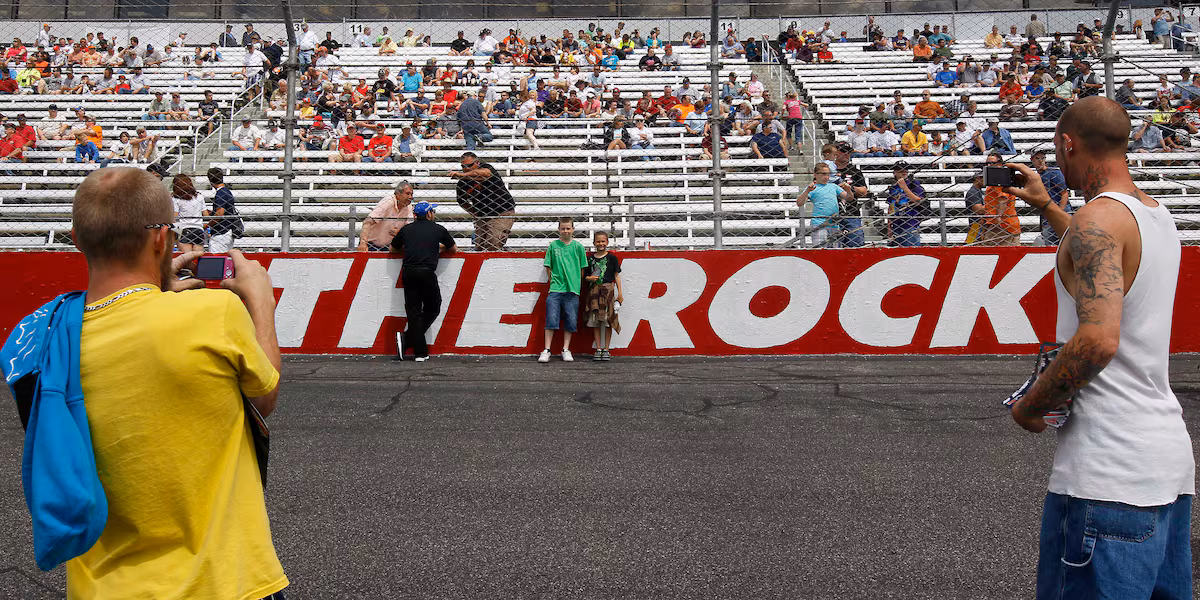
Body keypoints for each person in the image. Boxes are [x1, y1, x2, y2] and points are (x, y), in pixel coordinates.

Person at [13, 167, 286, 598]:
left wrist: (155, 288)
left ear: (76, 238)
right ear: (162, 238)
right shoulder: (212, 313)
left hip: (102, 588)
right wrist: (262, 303)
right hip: (221, 581)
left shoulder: (45, 337)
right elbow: (263, 397)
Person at [1001, 95, 1195, 600]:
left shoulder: (1096, 223)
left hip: (1106, 477)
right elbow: (1102, 259)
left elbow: (1098, 339)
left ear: (1067, 144)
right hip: (1165, 466)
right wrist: (1046, 205)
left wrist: (1032, 404)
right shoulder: (1154, 216)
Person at [389, 200, 456, 362]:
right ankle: (408, 340)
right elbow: (453, 249)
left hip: (409, 271)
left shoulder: (406, 229)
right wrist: (435, 247)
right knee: (433, 307)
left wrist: (411, 247)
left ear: (414, 215)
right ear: (429, 214)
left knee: (414, 312)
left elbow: (392, 248)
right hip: (426, 271)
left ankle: (418, 350)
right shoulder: (438, 229)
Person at [539, 217, 589, 363]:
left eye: (568, 228)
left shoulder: (578, 247)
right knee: (551, 319)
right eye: (563, 228)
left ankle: (565, 349)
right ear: (559, 230)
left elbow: (582, 269)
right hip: (555, 289)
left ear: (573, 229)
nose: (566, 231)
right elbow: (548, 266)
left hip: (572, 290)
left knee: (570, 320)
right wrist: (553, 281)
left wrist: (576, 284)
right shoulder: (553, 246)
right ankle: (547, 349)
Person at [451, 152, 516, 251]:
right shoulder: (462, 184)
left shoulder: (486, 168)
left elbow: (486, 173)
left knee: (493, 242)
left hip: (502, 211)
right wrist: (475, 212)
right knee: (479, 246)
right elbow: (461, 201)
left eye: (469, 165)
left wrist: (461, 175)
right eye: (463, 166)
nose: (466, 168)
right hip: (483, 214)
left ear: (477, 163)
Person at [584, 231, 623, 361]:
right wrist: (589, 279)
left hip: (608, 291)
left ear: (607, 242)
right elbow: (585, 276)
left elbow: (616, 276)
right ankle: (598, 349)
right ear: (594, 243)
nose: (601, 244)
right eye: (598, 241)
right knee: (595, 320)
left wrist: (620, 294)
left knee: (607, 321)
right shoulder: (590, 258)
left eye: (603, 241)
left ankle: (606, 349)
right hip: (594, 291)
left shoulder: (612, 258)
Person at [359, 181, 415, 252]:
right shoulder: (387, 202)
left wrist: (399, 233)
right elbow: (368, 222)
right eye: (407, 194)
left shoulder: (409, 207)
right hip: (370, 244)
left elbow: (409, 231)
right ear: (398, 194)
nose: (411, 197)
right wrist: (363, 243)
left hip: (390, 247)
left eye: (411, 194)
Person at [980, 152, 1022, 246]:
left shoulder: (999, 177)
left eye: (992, 163)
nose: (989, 165)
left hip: (1002, 224)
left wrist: (998, 218)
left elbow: (1003, 198)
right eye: (987, 163)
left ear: (1000, 164)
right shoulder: (995, 178)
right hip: (1007, 224)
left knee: (988, 252)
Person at [1030, 149, 1070, 246]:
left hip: (1061, 212)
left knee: (1065, 244)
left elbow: (1064, 194)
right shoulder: (1035, 177)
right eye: (1037, 158)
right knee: (1050, 245)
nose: (1040, 161)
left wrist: (1059, 212)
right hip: (1048, 216)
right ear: (1032, 160)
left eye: (1043, 158)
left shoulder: (1053, 173)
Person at [801, 162, 846, 247]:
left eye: (828, 174)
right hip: (818, 222)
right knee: (820, 249)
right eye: (823, 174)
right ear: (815, 175)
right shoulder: (812, 187)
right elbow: (800, 202)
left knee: (836, 249)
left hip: (834, 223)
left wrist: (849, 189)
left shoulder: (833, 186)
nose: (826, 177)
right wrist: (807, 191)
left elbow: (848, 197)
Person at [885, 160, 926, 247]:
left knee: (911, 252)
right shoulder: (893, 187)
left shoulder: (914, 184)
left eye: (906, 169)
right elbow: (890, 208)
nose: (904, 171)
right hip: (896, 225)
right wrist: (889, 230)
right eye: (900, 169)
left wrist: (905, 188)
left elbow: (919, 201)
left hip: (911, 223)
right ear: (895, 172)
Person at [204, 167, 238, 254]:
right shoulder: (227, 192)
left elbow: (220, 213)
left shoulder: (220, 193)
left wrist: (208, 225)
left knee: (216, 258)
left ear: (210, 181)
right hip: (228, 230)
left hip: (221, 233)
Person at [172, 173, 206, 253]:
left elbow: (175, 217)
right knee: (197, 258)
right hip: (198, 230)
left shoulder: (176, 199)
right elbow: (206, 214)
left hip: (184, 229)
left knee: (186, 258)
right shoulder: (199, 196)